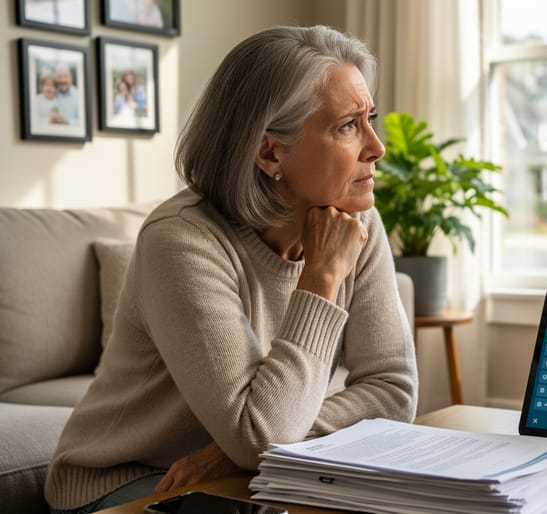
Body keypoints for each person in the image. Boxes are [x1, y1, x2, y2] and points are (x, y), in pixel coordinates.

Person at [45, 25, 418, 513]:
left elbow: (393, 391)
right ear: (268, 152)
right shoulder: (181, 239)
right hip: (128, 482)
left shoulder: (358, 219)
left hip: (246, 468)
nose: (377, 147)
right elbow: (261, 434)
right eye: (348, 125)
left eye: (369, 119)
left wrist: (235, 451)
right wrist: (322, 279)